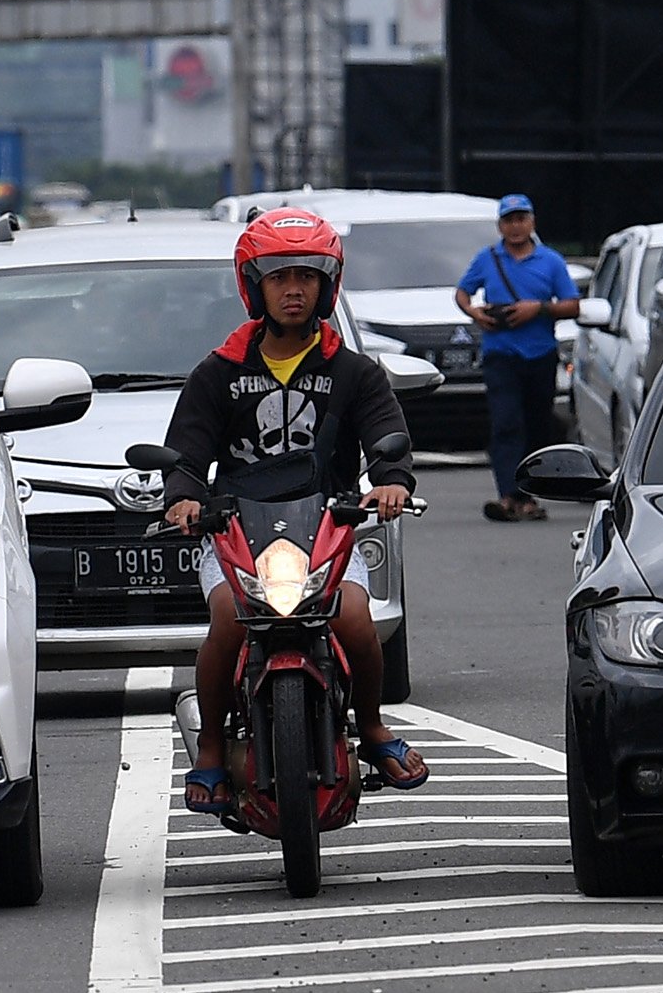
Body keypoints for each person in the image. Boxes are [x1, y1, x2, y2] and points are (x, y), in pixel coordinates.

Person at [161, 208, 423, 816]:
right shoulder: (217, 373)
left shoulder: (355, 373)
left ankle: (375, 728)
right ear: (254, 285)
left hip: (329, 532)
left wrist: (391, 484)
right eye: (278, 276)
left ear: (328, 284)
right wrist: (184, 497)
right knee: (229, 614)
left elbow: (389, 438)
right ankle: (211, 744)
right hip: (236, 534)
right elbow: (188, 452)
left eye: (307, 275)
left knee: (356, 615)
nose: (294, 289)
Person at [454, 192, 578, 521]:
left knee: (538, 426)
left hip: (539, 353)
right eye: (509, 220)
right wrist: (475, 314)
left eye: (521, 219)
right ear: (500, 226)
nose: (515, 226)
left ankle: (531, 498)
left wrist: (538, 309)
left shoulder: (550, 261)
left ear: (532, 222)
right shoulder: (488, 259)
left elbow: (572, 304)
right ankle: (507, 495)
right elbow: (462, 291)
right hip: (501, 354)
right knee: (506, 423)